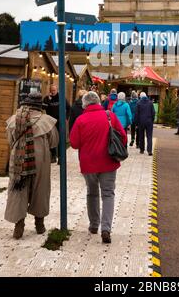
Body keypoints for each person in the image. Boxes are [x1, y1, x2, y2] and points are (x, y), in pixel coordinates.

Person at [70, 91, 127, 244]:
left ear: (85, 104)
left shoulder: (81, 120)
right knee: (108, 194)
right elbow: (123, 135)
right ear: (97, 102)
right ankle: (106, 229)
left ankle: (94, 225)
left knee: (92, 193)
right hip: (108, 162)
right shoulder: (110, 116)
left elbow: (74, 143)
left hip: (88, 164)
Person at [4, 92, 59, 239]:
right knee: (40, 189)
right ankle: (39, 225)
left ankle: (19, 227)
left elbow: (10, 140)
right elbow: (54, 141)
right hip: (40, 160)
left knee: (19, 189)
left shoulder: (14, 119)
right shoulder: (46, 120)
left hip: (18, 160)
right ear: (39, 106)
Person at [43, 84, 70, 163]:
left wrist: (66, 118)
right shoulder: (47, 98)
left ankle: (61, 157)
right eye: (52, 91)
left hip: (60, 121)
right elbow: (43, 108)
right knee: (52, 139)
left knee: (60, 139)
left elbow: (68, 108)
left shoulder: (61, 98)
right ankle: (53, 156)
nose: (53, 92)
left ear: (57, 90)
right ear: (50, 91)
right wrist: (48, 100)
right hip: (50, 121)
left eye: (54, 90)